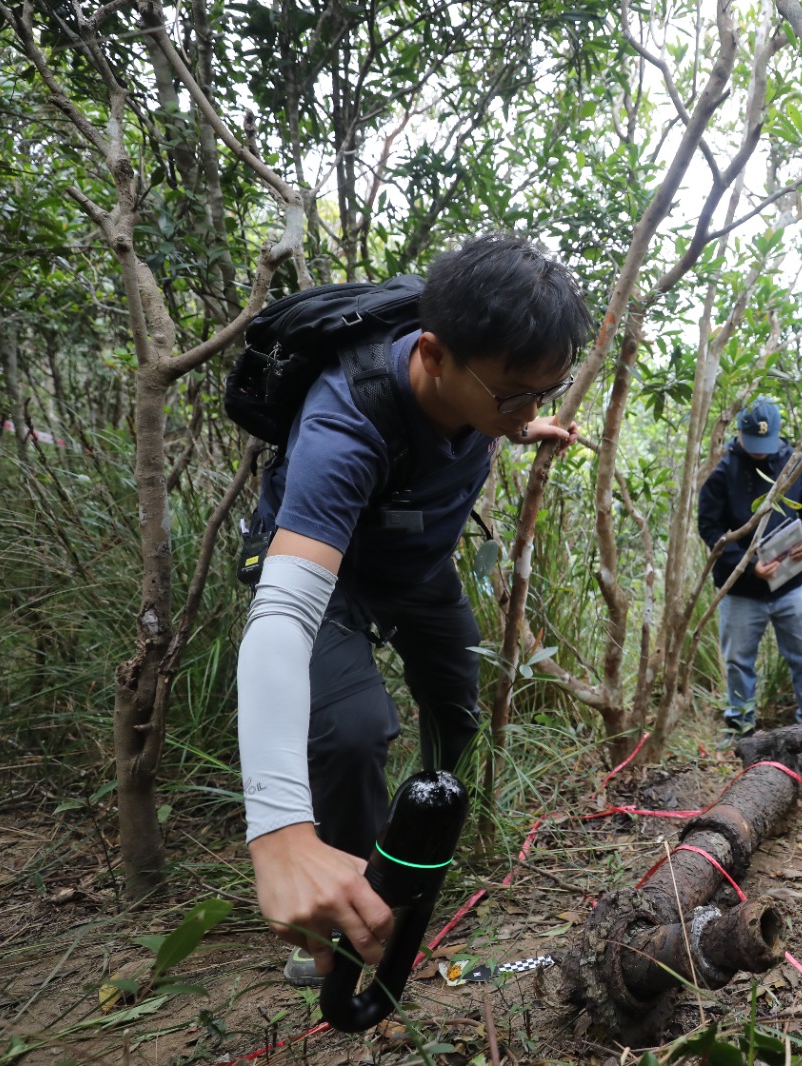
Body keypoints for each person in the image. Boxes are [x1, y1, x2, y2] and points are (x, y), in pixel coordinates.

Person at [236, 234, 593, 982]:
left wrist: (526, 422)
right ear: (432, 355)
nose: (526, 408)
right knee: (354, 733)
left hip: (419, 572)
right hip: (331, 580)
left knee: (456, 707)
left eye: (544, 391)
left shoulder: (484, 390)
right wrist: (277, 832)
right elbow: (282, 618)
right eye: (513, 394)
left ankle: (415, 846)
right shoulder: (345, 426)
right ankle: (348, 911)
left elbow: (501, 406)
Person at [698, 398, 802, 738]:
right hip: (741, 589)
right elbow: (709, 528)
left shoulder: (794, 462)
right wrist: (747, 565)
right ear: (739, 433)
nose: (760, 452)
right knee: (738, 662)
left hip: (792, 584)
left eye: (766, 444)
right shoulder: (722, 469)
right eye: (753, 445)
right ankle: (741, 728)